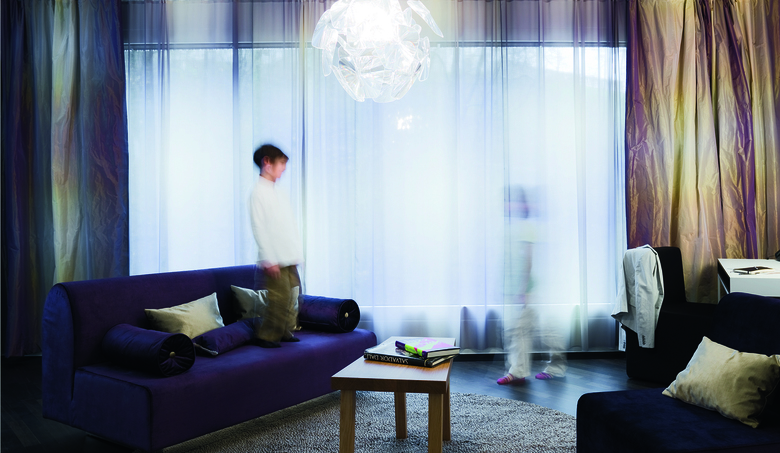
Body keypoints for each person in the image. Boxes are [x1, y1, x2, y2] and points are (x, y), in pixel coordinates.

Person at [497, 185, 567, 385]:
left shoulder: (526, 227)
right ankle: (519, 370)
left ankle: (552, 368)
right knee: (519, 330)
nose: (506, 205)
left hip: (530, 288)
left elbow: (528, 260)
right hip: (519, 288)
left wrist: (524, 289)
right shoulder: (512, 228)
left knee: (537, 330)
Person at [250, 144, 304, 348]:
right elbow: (259, 228)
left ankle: (285, 332)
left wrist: (297, 254)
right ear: (267, 162)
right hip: (274, 259)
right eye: (281, 163)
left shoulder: (279, 193)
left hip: (288, 255)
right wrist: (269, 258)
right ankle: (267, 336)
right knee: (278, 298)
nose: (284, 168)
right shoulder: (258, 193)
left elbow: (288, 226)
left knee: (292, 296)